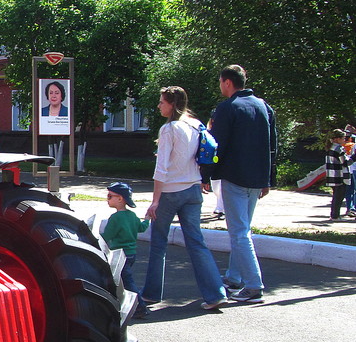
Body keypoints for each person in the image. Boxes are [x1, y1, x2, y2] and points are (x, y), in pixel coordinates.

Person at [139, 86, 228, 311]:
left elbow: (162, 168)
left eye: (162, 102)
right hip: (193, 190)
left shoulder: (169, 129)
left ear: (172, 104)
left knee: (158, 244)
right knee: (197, 243)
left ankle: (151, 294)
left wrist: (155, 201)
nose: (159, 106)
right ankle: (216, 293)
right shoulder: (195, 124)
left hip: (170, 192)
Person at [207, 64, 277, 304]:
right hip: (257, 178)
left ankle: (253, 286)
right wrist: (269, 179)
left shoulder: (227, 108)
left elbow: (218, 145)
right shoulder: (263, 106)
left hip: (234, 177)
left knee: (239, 232)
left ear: (227, 82)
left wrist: (208, 175)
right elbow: (272, 146)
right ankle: (234, 277)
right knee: (243, 230)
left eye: (220, 82)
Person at [100, 181, 150, 318]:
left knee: (127, 283)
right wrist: (147, 219)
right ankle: (121, 305)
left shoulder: (115, 218)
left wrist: (93, 240)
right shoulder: (132, 216)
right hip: (131, 254)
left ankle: (140, 308)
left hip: (120, 255)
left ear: (120, 199)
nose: (107, 199)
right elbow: (142, 228)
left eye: (110, 196)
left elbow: (106, 236)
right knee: (122, 281)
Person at [324, 129, 356, 221]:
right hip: (340, 175)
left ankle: (334, 215)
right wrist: (354, 157)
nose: (344, 140)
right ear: (337, 139)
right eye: (343, 138)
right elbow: (345, 163)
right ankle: (335, 216)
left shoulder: (330, 148)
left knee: (336, 196)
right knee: (339, 196)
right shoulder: (338, 149)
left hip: (332, 175)